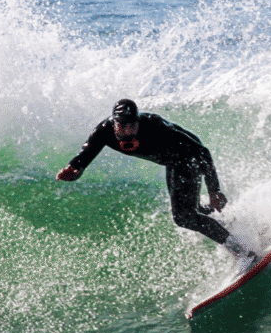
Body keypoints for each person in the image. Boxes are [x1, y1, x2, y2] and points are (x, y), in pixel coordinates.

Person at [57, 99, 253, 260]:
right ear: (114, 123)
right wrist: (74, 168)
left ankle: (243, 252)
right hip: (173, 164)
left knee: (183, 217)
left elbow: (202, 152)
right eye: (121, 126)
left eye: (131, 126)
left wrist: (214, 191)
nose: (126, 131)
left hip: (188, 160)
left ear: (138, 123)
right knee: (193, 211)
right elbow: (85, 153)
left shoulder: (155, 126)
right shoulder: (105, 131)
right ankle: (233, 225)